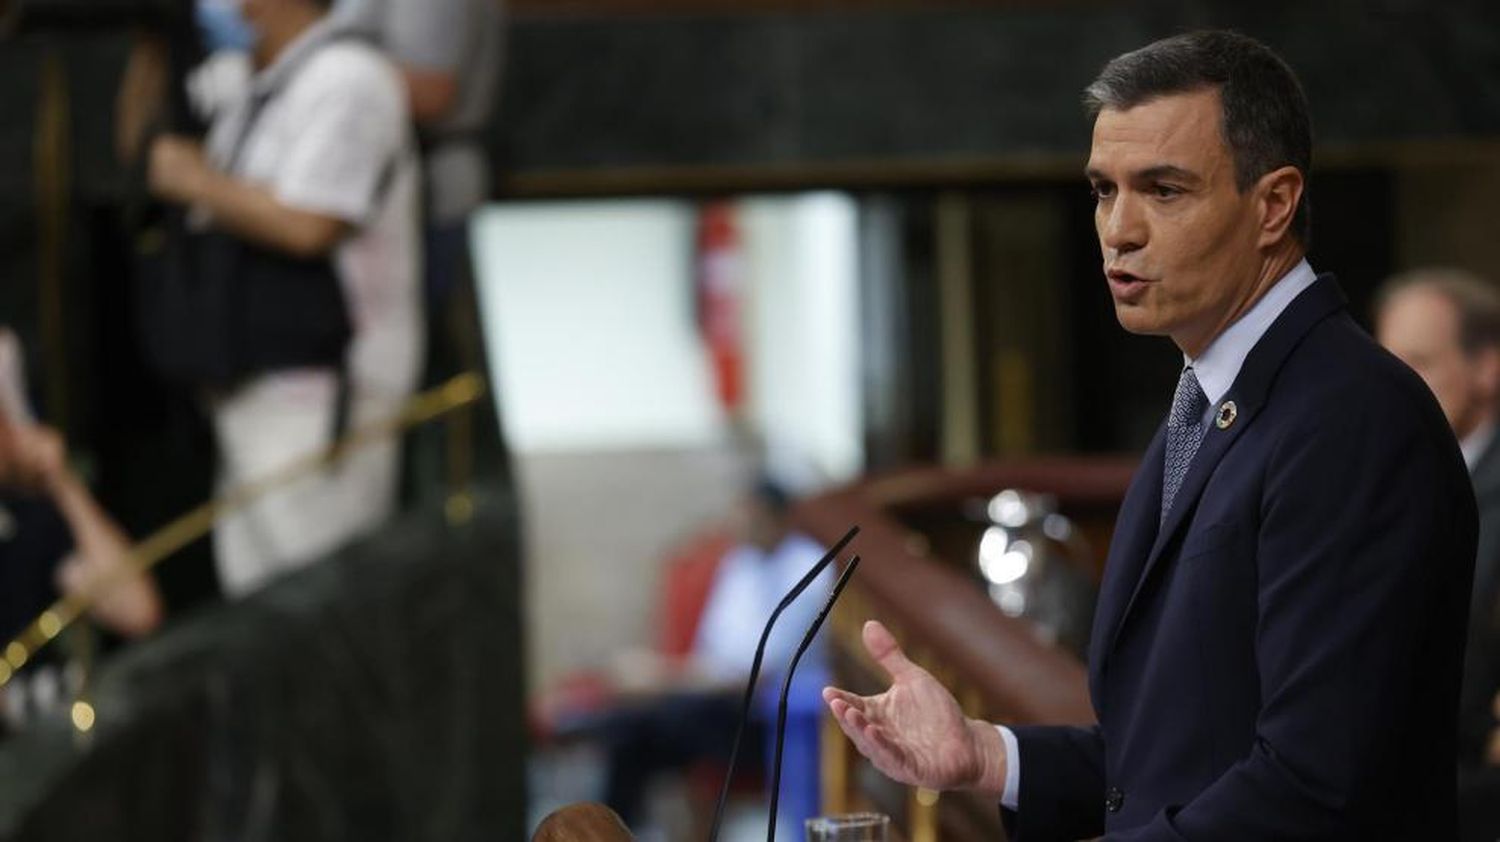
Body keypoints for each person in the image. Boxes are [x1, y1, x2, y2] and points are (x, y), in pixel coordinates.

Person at [823, 30, 1476, 840]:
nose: (1118, 230)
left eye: (1164, 191)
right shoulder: (1203, 399)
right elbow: (1170, 760)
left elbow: (1314, 789)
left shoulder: (1352, 417)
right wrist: (988, 756)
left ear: (1272, 204)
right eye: (1103, 190)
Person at [145, 0, 423, 597]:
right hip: (247, 384)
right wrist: (155, 41)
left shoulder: (349, 77)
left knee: (316, 615)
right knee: (258, 618)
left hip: (323, 394)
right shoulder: (258, 82)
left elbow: (312, 224)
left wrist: (197, 181)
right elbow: (146, 154)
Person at [594, 479, 832, 837]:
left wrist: (661, 676)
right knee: (626, 731)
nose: (739, 523)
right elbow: (713, 651)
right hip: (713, 702)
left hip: (768, 718)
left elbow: (755, 674)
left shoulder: (809, 567)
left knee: (645, 722)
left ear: (776, 517)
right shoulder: (740, 562)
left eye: (750, 513)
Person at [1375, 269, 1500, 842]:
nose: (1393, 386)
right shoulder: (1371, 478)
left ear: (1487, 368)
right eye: (1386, 364)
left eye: (1419, 361)